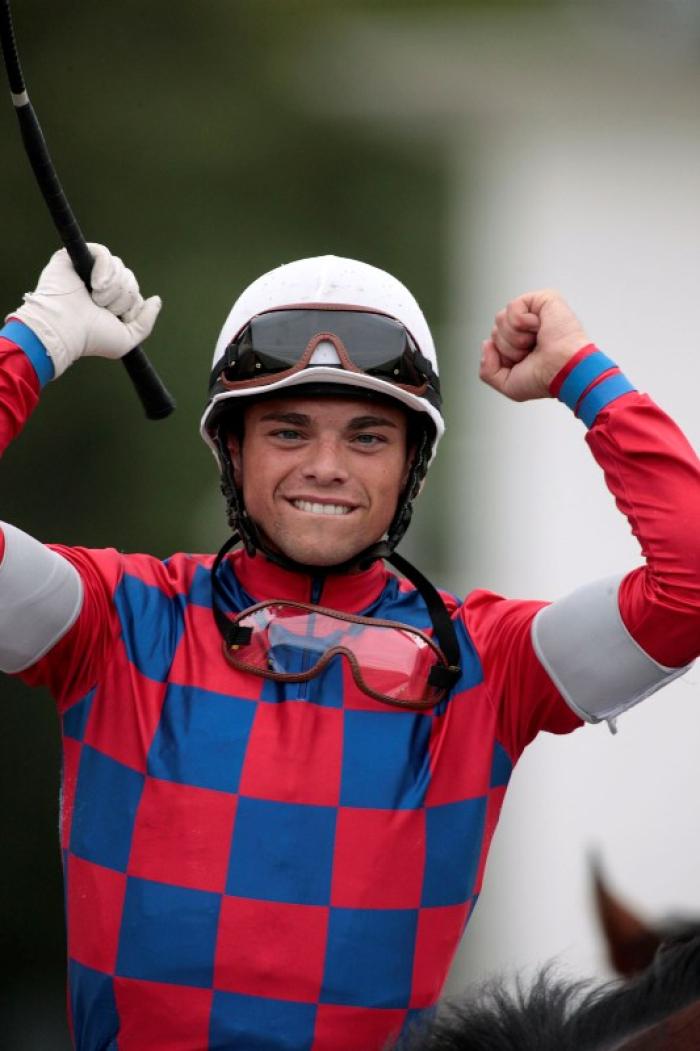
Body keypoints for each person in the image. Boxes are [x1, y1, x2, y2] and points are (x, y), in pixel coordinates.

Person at [0, 245, 698, 1051]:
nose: (326, 467)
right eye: (288, 431)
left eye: (368, 437)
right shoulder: (115, 619)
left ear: (414, 469)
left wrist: (584, 375)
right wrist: (36, 338)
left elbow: (690, 584)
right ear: (232, 450)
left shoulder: (490, 660)